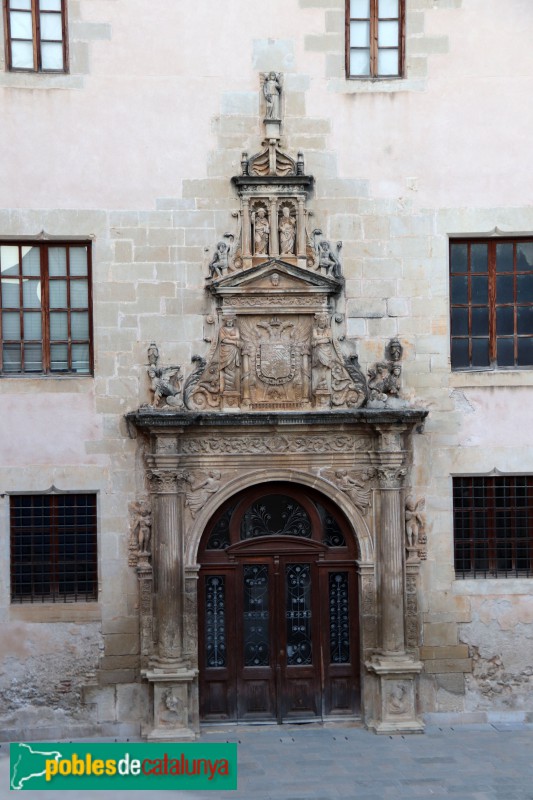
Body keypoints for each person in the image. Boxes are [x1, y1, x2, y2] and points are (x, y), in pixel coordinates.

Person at [219, 316, 242, 392]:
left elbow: (238, 336)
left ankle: (231, 388)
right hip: (225, 350)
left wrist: (228, 337)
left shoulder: (236, 329)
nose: (229, 323)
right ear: (225, 322)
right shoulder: (222, 329)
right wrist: (234, 341)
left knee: (232, 368)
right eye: (228, 322)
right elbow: (223, 339)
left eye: (230, 322)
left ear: (232, 322)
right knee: (227, 368)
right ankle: (228, 389)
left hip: (234, 350)